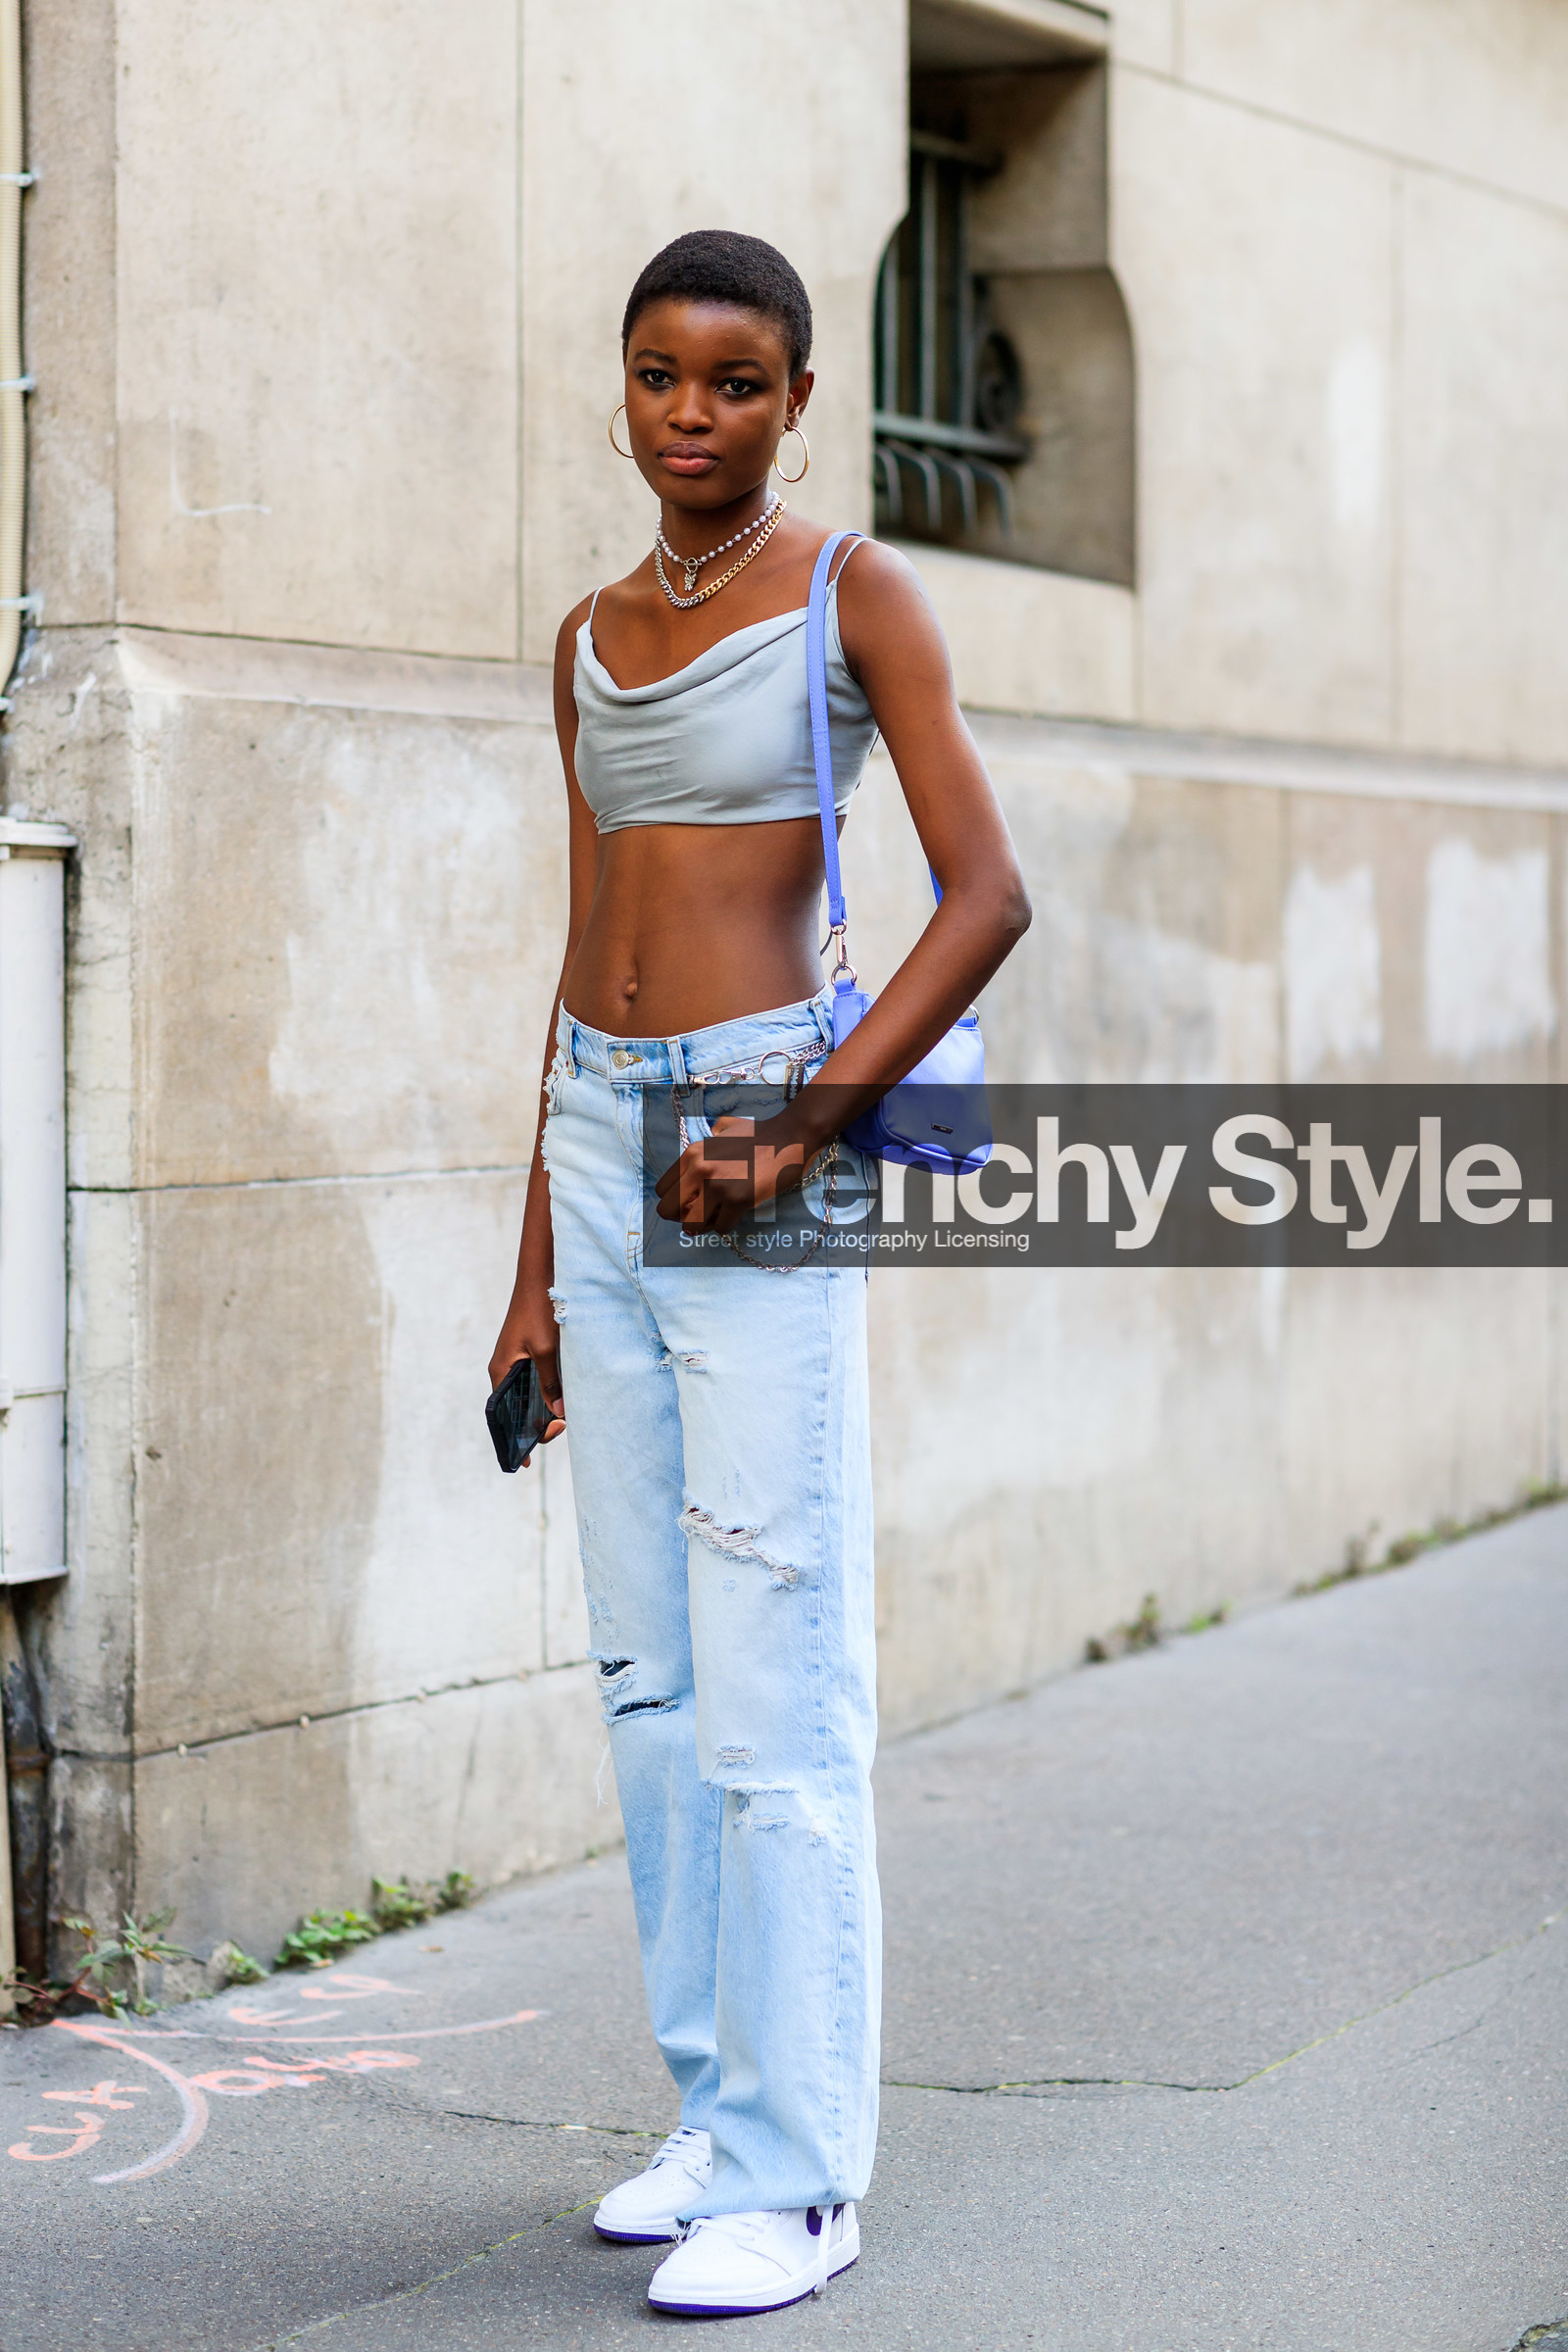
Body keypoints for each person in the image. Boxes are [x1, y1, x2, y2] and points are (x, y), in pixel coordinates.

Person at [489, 229, 1029, 2319]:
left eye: (733, 380)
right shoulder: (585, 638)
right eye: (656, 374)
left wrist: (792, 1133)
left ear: (799, 397)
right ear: (619, 386)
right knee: (651, 1677)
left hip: (752, 1132)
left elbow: (984, 897)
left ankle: (805, 2178)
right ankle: (716, 2113)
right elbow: (572, 958)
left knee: (777, 1674)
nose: (689, 413)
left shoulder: (847, 592)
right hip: (604, 1139)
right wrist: (534, 1271)